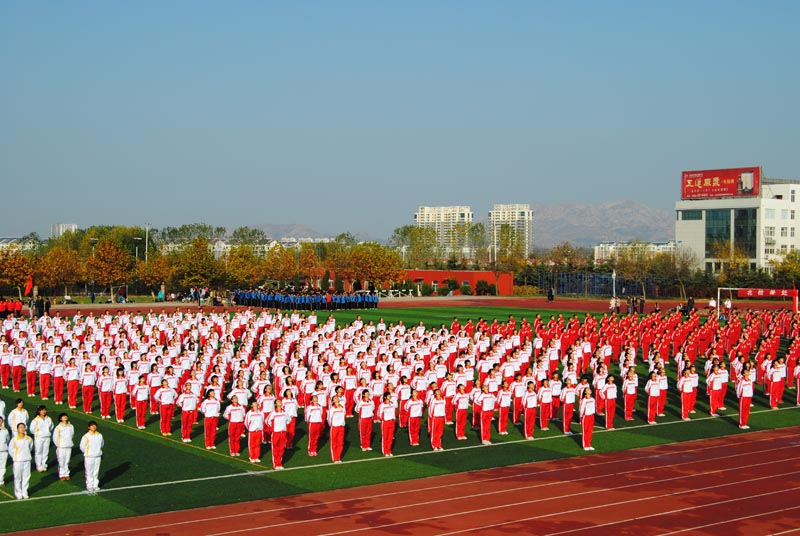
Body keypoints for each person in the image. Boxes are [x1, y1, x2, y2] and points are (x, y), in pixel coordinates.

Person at [9, 422, 33, 499]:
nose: (22, 429)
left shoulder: (29, 439)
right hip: (18, 461)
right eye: (20, 427)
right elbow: (10, 450)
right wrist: (16, 457)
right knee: (17, 477)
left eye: (23, 427)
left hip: (27, 460)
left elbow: (30, 448)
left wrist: (26, 455)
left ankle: (25, 492)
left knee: (26, 477)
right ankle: (18, 493)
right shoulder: (14, 440)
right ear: (18, 429)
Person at [79, 421, 104, 494]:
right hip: (89, 457)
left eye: (95, 425)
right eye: (92, 425)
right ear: (88, 427)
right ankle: (89, 486)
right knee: (89, 472)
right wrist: (88, 453)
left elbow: (102, 444)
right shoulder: (86, 436)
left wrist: (97, 451)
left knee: (96, 471)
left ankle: (95, 485)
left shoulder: (99, 435)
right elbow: (82, 447)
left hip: (97, 456)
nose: (94, 427)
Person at [29, 405, 53, 472]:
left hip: (47, 437)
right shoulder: (36, 420)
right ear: (39, 411)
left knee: (45, 451)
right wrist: (38, 433)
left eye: (45, 410)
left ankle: (44, 464)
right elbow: (32, 429)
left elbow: (51, 426)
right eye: (42, 410)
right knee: (38, 451)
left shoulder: (48, 419)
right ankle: (39, 465)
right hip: (39, 438)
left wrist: (47, 432)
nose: (44, 411)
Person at [266, 399, 288, 470]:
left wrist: (283, 426)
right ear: (275, 404)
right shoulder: (273, 413)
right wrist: (273, 428)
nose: (280, 402)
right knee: (275, 448)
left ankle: (279, 463)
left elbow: (288, 420)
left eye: (280, 401)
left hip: (283, 432)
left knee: (281, 449)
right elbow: (267, 421)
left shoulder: (285, 412)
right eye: (278, 402)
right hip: (276, 433)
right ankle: (275, 464)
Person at [52, 413, 74, 480]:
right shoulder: (58, 428)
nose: (65, 417)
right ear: (60, 419)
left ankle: (66, 474)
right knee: (61, 461)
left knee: (67, 461)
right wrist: (59, 445)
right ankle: (61, 474)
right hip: (61, 447)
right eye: (63, 416)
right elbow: (55, 437)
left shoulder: (71, 426)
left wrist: (69, 442)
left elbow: (72, 435)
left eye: (65, 416)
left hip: (68, 446)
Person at [328, 396, 346, 463]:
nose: (337, 398)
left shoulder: (342, 407)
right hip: (334, 427)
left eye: (337, 398)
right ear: (333, 401)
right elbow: (329, 418)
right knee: (334, 443)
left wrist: (343, 423)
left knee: (340, 443)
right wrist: (332, 425)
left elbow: (344, 416)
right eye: (335, 398)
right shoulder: (332, 409)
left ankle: (338, 457)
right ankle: (335, 458)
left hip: (341, 427)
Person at [377, 393, 396, 457]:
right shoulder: (382, 405)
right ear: (385, 397)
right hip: (385, 422)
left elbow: (394, 412)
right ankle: (385, 451)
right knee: (385, 437)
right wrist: (384, 419)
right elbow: (379, 414)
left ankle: (389, 450)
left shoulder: (392, 404)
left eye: (390, 395)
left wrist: (393, 419)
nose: (390, 396)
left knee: (390, 437)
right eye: (388, 396)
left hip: (392, 422)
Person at [0, 417, 9, 487]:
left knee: (2, 467)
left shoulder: (5, 430)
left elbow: (8, 439)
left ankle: (1, 481)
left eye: (1, 421)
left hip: (3, 451)